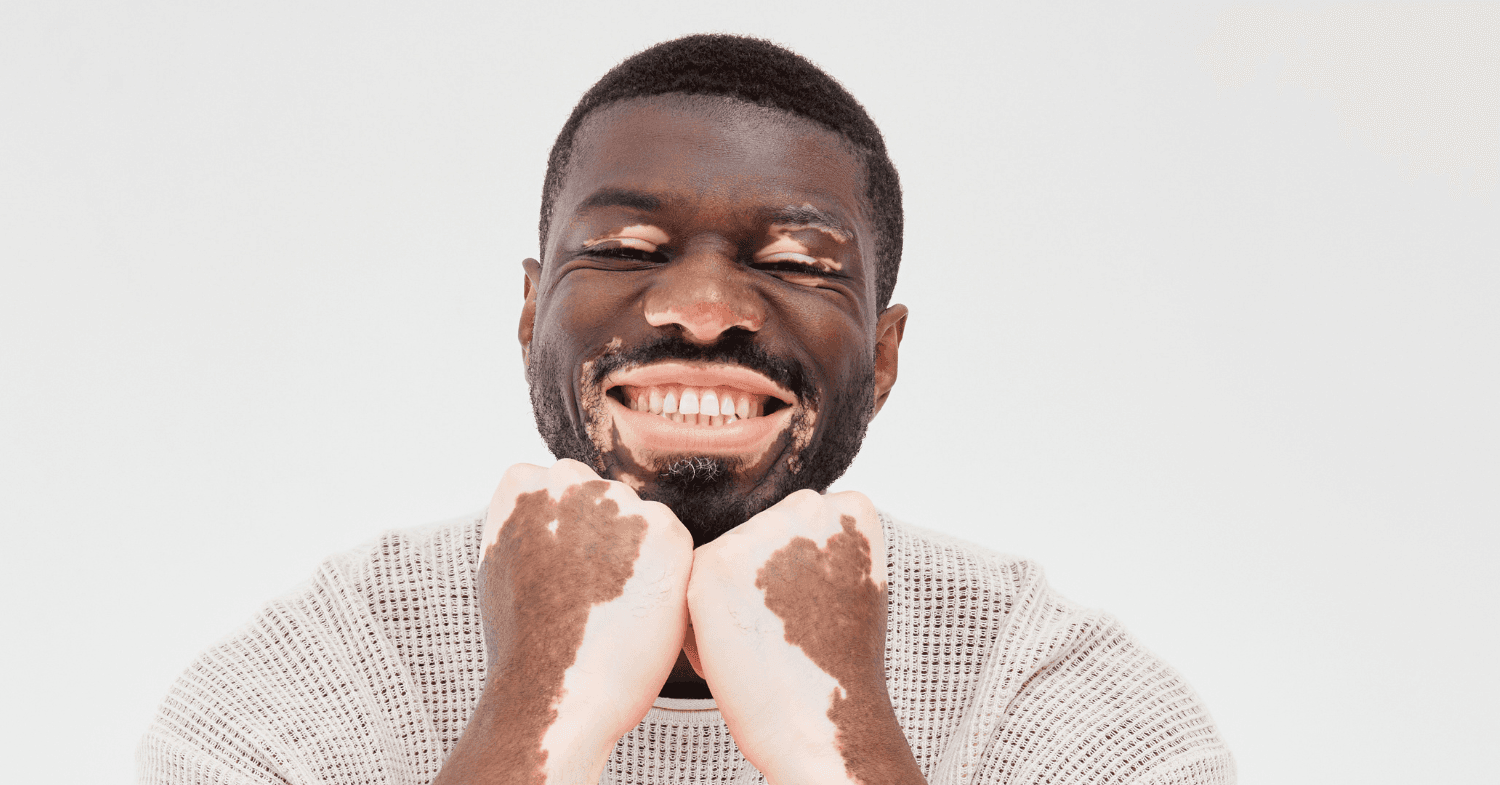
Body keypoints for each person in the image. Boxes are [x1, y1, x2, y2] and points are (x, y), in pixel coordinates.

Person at [139, 34, 1235, 785]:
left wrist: (833, 734)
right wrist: (538, 709)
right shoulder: (328, 671)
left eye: (799, 261)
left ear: (885, 353)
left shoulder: (1046, 692)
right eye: (623, 251)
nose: (703, 309)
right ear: (532, 312)